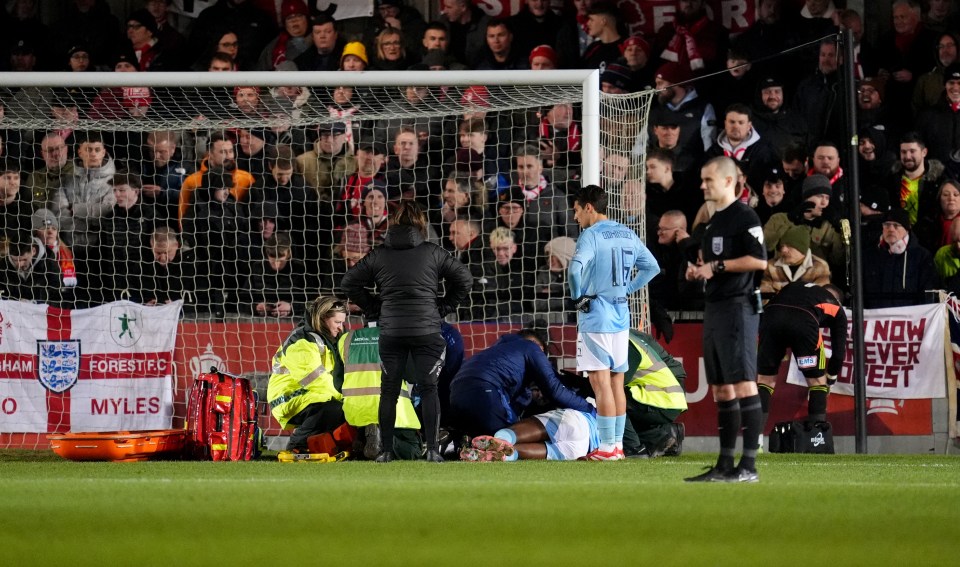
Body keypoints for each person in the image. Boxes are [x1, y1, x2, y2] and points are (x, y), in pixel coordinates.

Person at [341, 201, 473, 463]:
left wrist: (374, 308)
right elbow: (465, 280)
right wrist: (442, 307)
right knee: (429, 388)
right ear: (422, 224)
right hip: (426, 330)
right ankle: (433, 449)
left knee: (388, 389)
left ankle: (386, 451)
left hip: (391, 332)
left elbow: (349, 282)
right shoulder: (433, 252)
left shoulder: (380, 254)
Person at [684, 156, 767, 483]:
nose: (703, 186)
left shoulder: (745, 216)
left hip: (738, 309)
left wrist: (715, 268)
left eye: (709, 180)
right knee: (720, 389)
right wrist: (698, 272)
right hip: (716, 306)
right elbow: (710, 262)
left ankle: (748, 467)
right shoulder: (712, 222)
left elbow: (759, 261)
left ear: (729, 181)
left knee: (744, 383)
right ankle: (723, 465)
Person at [568, 184, 660, 461]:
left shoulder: (590, 236)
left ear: (588, 207)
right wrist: (628, 288)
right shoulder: (627, 232)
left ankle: (607, 448)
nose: (575, 218)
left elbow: (574, 270)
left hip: (596, 316)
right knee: (617, 382)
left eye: (576, 211)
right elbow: (652, 267)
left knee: (600, 384)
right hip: (621, 317)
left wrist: (577, 298)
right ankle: (617, 447)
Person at [449, 328, 594, 437]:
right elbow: (555, 390)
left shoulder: (498, 353)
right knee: (510, 439)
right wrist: (593, 412)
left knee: (483, 438)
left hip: (455, 398)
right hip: (485, 393)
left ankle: (455, 437)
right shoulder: (531, 348)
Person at [757, 282, 847, 440]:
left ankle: (754, 443)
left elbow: (773, 306)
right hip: (804, 322)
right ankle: (816, 441)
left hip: (770, 317)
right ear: (837, 300)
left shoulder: (795, 286)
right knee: (817, 383)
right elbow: (838, 354)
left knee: (765, 380)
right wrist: (830, 380)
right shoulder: (837, 308)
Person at [266, 296, 347, 453]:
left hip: (310, 394)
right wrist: (345, 398)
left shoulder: (330, 339)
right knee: (335, 409)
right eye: (337, 322)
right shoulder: (302, 341)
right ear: (323, 318)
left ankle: (324, 444)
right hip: (287, 396)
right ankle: (296, 445)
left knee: (342, 409)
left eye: (342, 323)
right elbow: (317, 381)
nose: (341, 328)